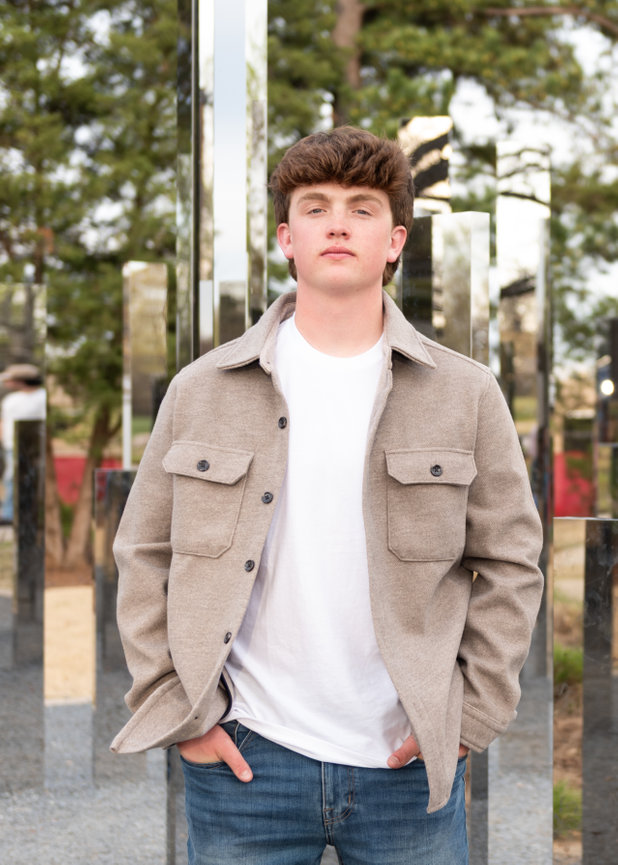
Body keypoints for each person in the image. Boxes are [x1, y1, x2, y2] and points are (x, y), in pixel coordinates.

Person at [111, 126, 543, 864]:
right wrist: (181, 710)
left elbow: (511, 563)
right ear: (287, 237)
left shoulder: (466, 393)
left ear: (395, 241)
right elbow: (143, 551)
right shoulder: (202, 389)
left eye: (362, 208)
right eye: (315, 207)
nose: (338, 224)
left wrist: (471, 715)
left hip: (408, 764)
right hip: (247, 755)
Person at [0, 363, 46, 523]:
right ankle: (8, 514)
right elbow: (4, 422)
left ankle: (30, 514)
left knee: (32, 479)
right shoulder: (10, 400)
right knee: (11, 478)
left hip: (34, 447)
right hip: (11, 447)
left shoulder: (42, 397)